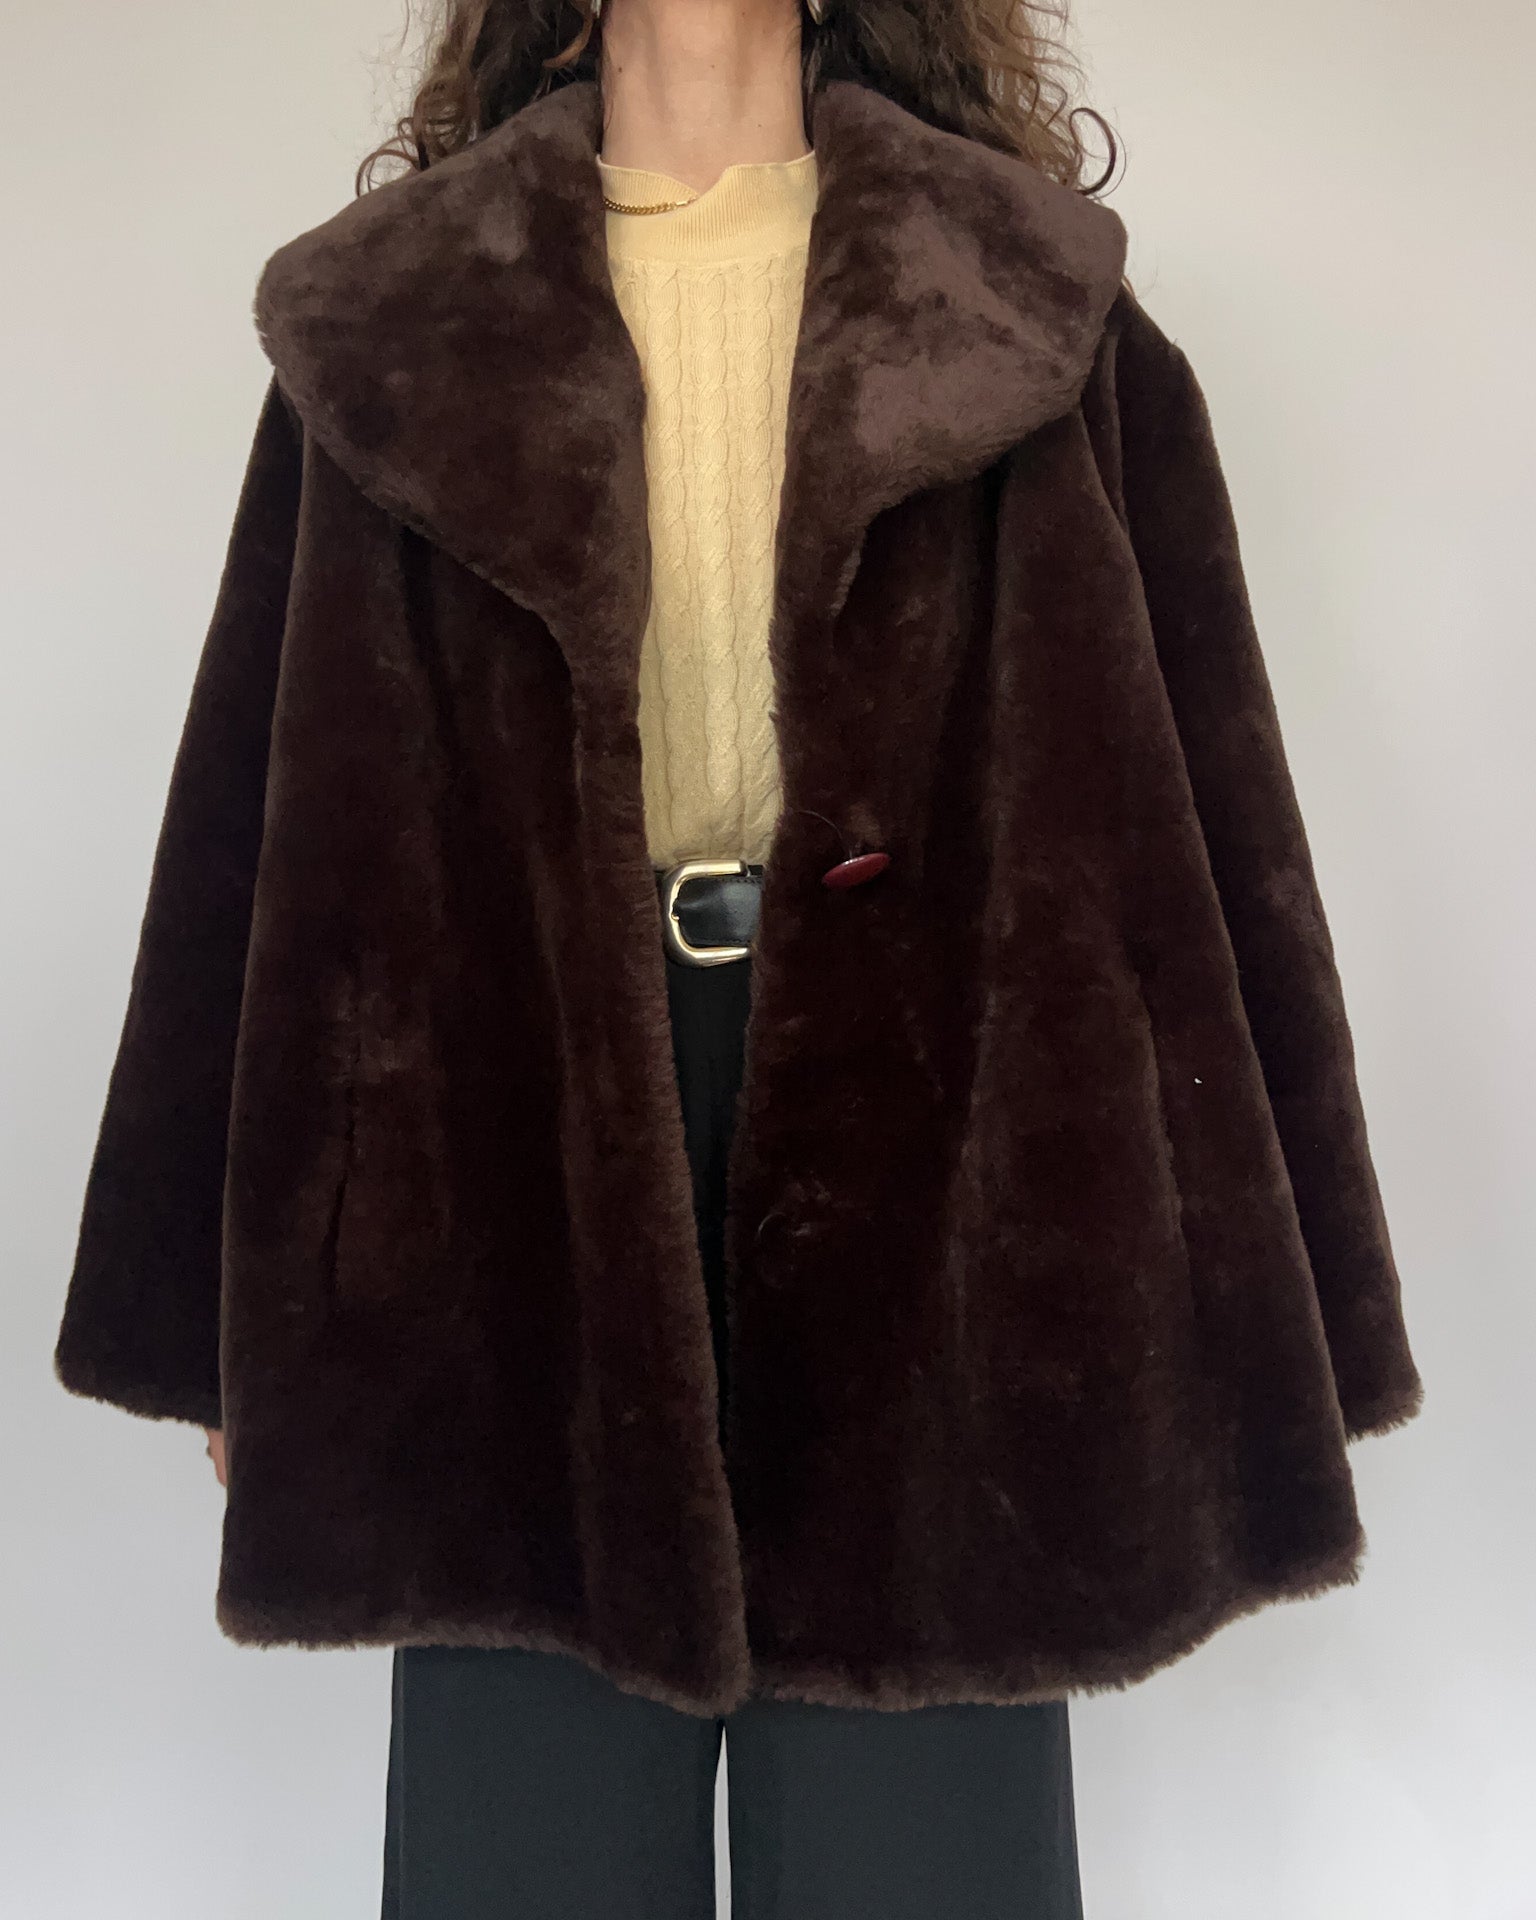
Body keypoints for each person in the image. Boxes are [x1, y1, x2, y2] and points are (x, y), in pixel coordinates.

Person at [54, 0, 1424, 1913]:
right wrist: (218, 1311)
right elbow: (254, 824)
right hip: (521, 1155)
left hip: (942, 1148)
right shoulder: (394, 329)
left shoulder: (1029, 305)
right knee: (521, 1856)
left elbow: (1218, 810)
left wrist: (1285, 1293)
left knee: (926, 1856)